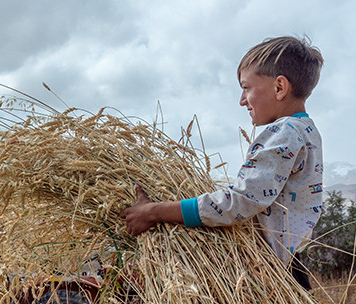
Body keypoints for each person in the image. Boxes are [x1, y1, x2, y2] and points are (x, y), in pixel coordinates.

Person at [120, 36, 324, 289]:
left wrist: (155, 212)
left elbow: (240, 201)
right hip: (290, 266)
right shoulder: (307, 130)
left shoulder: (284, 133)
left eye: (246, 87)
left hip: (268, 276)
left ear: (279, 87)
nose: (241, 100)